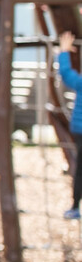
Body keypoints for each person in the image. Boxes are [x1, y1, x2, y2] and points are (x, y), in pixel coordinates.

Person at [55, 30, 82, 220]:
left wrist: (63, 52)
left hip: (80, 129)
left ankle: (75, 207)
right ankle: (74, 206)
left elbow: (65, 73)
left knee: (80, 169)